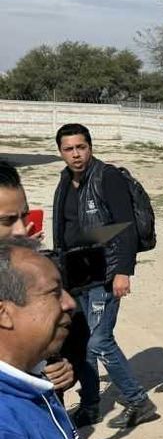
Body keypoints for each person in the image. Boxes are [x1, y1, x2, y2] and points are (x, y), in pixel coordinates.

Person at [52, 124, 155, 428]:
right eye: (69, 149)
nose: (76, 154)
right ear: (61, 152)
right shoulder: (64, 179)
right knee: (81, 341)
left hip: (106, 272)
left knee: (99, 341)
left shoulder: (107, 177)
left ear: (90, 147)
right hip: (75, 273)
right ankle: (90, 405)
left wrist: (124, 271)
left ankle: (139, 401)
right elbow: (63, 227)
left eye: (81, 147)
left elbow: (125, 226)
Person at [0, 237, 103, 439]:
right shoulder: (4, 433)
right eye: (54, 292)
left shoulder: (31, 380)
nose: (69, 303)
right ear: (4, 313)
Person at [0, 161, 75, 395]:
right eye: (7, 220)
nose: (22, 230)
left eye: (24, 215)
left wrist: (54, 365)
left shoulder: (28, 267)